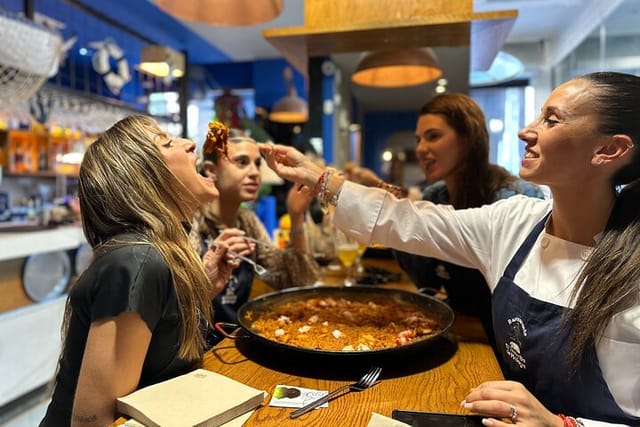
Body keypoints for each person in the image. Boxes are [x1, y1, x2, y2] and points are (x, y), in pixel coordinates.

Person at [259, 72, 640, 425]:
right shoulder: (515, 222)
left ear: (608, 149)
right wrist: (319, 179)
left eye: (551, 120)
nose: (527, 131)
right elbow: (411, 220)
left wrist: (560, 424)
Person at [40, 115, 235, 426]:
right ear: (145, 178)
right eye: (169, 142)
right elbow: (91, 422)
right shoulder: (138, 260)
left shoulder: (157, 255)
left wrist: (202, 290)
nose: (191, 143)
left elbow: (157, 356)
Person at [396, 93, 544, 349]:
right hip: (459, 337)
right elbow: (426, 280)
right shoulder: (435, 196)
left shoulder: (514, 199)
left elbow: (527, 312)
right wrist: (401, 219)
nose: (420, 149)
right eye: (418, 139)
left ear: (468, 139)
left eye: (433, 136)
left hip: (505, 352)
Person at [189, 129, 318, 339]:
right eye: (242, 162)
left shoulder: (247, 221)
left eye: (257, 163)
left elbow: (298, 281)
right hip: (194, 348)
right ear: (211, 171)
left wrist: (296, 215)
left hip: (235, 341)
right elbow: (175, 303)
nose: (255, 172)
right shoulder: (191, 221)